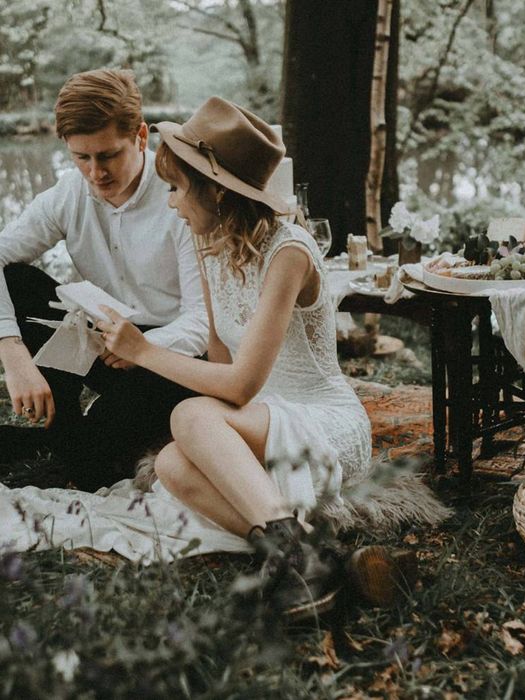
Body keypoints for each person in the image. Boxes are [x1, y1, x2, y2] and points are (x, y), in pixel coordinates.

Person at [96, 97, 372, 611]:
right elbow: (220, 369)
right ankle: (307, 548)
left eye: (178, 189)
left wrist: (145, 350)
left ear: (217, 191)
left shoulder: (289, 252)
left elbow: (240, 385)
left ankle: (299, 557)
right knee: (175, 465)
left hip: (323, 422)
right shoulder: (210, 246)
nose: (172, 204)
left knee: (187, 414)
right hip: (261, 421)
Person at [0, 69, 208, 490]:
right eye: (82, 158)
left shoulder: (183, 198)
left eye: (108, 155)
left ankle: (77, 444)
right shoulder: (68, 194)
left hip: (172, 361)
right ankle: (62, 422)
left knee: (91, 467)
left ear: (141, 137)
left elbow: (203, 322)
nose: (96, 173)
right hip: (106, 341)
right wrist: (12, 352)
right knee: (17, 280)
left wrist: (146, 348)